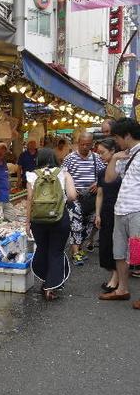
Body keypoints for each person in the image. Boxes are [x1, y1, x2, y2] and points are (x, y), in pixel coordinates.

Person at [26, 148, 77, 300]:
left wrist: (27, 223)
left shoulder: (32, 175)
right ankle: (50, 287)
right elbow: (73, 196)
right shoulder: (64, 173)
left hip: (38, 220)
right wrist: (61, 201)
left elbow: (29, 200)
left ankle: (45, 280)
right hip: (59, 218)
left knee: (42, 249)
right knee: (56, 251)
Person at [99, 118, 140, 306]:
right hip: (120, 210)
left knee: (137, 254)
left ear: (128, 135)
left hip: (136, 212)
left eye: (117, 137)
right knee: (119, 253)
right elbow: (108, 180)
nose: (115, 141)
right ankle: (122, 289)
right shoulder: (126, 154)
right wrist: (114, 158)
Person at [62, 132, 106, 265]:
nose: (85, 147)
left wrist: (98, 183)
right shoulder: (70, 158)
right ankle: (75, 252)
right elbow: (62, 175)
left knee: (90, 223)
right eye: (82, 144)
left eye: (88, 144)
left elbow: (104, 174)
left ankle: (79, 246)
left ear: (92, 144)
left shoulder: (96, 158)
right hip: (75, 197)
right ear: (77, 143)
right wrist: (70, 188)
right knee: (76, 223)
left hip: (92, 197)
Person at [94, 138, 122, 294]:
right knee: (106, 244)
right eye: (99, 153)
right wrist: (97, 214)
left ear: (113, 151)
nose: (100, 156)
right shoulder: (102, 172)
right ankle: (115, 275)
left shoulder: (123, 169)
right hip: (106, 211)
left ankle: (116, 278)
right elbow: (100, 194)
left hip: (121, 210)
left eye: (102, 152)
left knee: (117, 244)